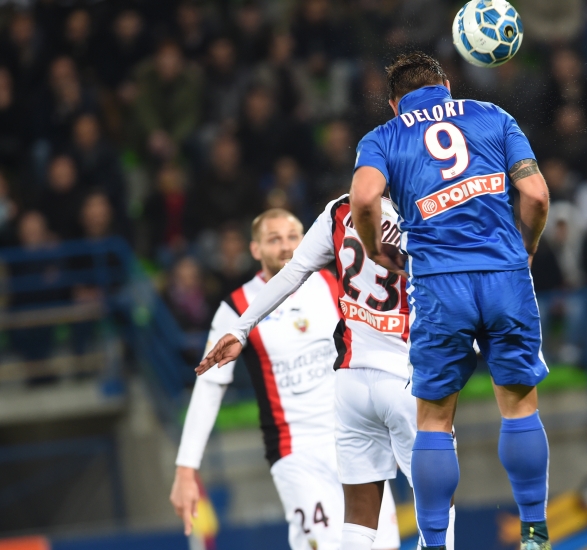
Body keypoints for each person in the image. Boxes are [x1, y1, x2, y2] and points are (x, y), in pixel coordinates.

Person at [349, 52, 551, 550]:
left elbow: (365, 197)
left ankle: (435, 545)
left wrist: (375, 247)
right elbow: (537, 195)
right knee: (520, 406)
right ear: (445, 83)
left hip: (440, 286)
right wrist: (525, 247)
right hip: (505, 276)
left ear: (396, 104)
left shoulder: (384, 137)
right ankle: (535, 533)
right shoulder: (493, 116)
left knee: (435, 420)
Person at [195, 196, 456, 550]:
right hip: (403, 375)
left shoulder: (339, 210)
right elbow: (453, 286)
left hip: (351, 385)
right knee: (436, 495)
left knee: (360, 518)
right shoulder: (424, 210)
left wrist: (241, 330)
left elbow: (292, 271)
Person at [171, 209, 400, 550]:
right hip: (295, 452)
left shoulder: (332, 283)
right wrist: (185, 469)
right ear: (255, 250)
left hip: (354, 436)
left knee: (383, 545)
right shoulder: (236, 309)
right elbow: (208, 389)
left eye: (293, 237)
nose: (286, 247)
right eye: (274, 239)